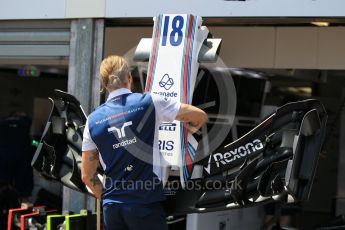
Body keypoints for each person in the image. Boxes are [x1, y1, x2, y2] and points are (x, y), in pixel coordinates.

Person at [81, 55, 208, 230]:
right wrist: (188, 132)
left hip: (112, 209)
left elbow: (87, 175)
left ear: (104, 85)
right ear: (130, 79)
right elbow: (199, 116)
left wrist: (108, 198)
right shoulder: (149, 102)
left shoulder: (92, 120)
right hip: (144, 204)